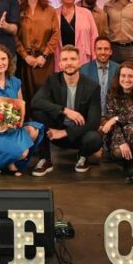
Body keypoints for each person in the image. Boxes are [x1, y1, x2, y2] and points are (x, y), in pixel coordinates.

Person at [0, 44, 44, 176]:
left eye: (3, 59)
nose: (0, 63)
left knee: (33, 131)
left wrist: (17, 121)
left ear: (8, 61)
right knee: (22, 152)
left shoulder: (16, 82)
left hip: (10, 129)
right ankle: (8, 163)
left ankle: (6, 161)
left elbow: (21, 107)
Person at [30, 45, 103, 176]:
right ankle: (45, 159)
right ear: (60, 64)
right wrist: (65, 110)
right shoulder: (52, 81)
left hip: (79, 134)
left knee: (95, 138)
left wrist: (65, 132)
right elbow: (36, 102)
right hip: (54, 133)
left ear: (79, 62)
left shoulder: (92, 86)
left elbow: (94, 122)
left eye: (73, 59)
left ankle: (82, 156)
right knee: (38, 113)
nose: (69, 63)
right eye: (65, 59)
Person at [100, 61, 133, 183]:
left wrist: (115, 119)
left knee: (132, 128)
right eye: (123, 75)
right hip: (117, 131)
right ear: (118, 77)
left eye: (130, 76)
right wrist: (121, 141)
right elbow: (111, 117)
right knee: (119, 151)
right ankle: (127, 164)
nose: (126, 79)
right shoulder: (112, 91)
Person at [16, 0, 60, 108]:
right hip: (25, 60)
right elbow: (14, 36)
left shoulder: (50, 10)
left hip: (45, 61)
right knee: (26, 95)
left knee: (45, 95)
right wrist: (25, 56)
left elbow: (55, 34)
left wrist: (44, 56)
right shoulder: (18, 10)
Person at [55, 0, 97, 70]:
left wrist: (95, 58)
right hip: (61, 57)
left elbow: (94, 36)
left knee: (82, 77)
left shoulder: (86, 13)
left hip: (82, 57)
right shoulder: (54, 14)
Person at [79, 36, 120, 115]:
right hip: (90, 116)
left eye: (106, 49)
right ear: (94, 51)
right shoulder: (84, 70)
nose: (103, 52)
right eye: (99, 49)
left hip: (113, 116)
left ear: (111, 51)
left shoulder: (118, 69)